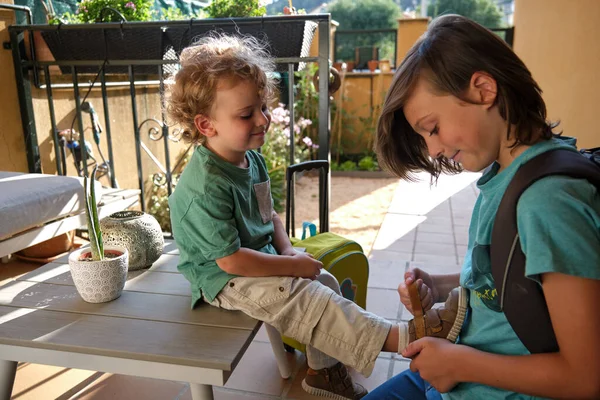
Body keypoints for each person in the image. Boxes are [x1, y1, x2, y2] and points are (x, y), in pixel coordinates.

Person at [165, 34, 467, 400]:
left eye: (262, 107)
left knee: (324, 279)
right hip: (221, 278)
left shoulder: (251, 159)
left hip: (255, 259)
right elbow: (230, 261)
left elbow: (269, 216)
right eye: (247, 114)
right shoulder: (204, 187)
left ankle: (324, 371)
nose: (262, 119)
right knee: (304, 297)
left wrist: (290, 252)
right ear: (205, 125)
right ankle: (408, 335)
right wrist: (290, 269)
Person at [364, 14, 600, 400]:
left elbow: (585, 377)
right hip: (461, 372)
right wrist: (441, 285)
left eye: (433, 127)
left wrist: (458, 362)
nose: (434, 149)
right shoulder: (508, 174)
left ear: (483, 90)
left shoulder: (548, 202)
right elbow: (517, 275)